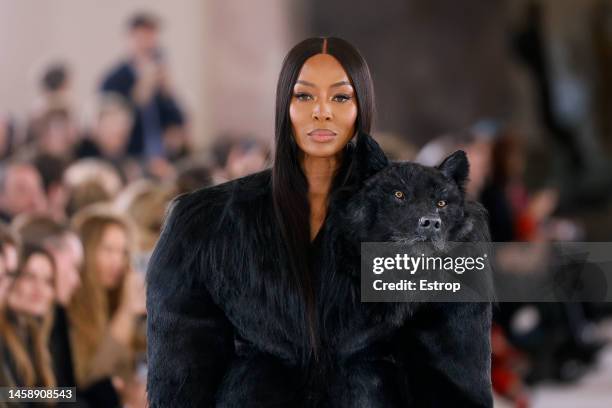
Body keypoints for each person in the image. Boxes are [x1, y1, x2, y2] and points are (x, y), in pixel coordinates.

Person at [146, 37, 492, 407]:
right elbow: (181, 374)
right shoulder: (205, 223)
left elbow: (451, 372)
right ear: (284, 105)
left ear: (362, 105)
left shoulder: (442, 224)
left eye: (341, 97)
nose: (322, 111)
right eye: (305, 96)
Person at [67, 208, 146, 406]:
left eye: (123, 252)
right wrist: (127, 312)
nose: (117, 261)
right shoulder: (70, 304)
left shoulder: (116, 297)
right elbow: (88, 381)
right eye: (108, 250)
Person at [100, 11, 184, 159]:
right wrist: (141, 90)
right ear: (131, 38)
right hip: (130, 158)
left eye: (152, 36)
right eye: (143, 37)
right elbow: (112, 128)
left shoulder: (160, 77)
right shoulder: (114, 79)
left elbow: (177, 121)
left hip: (162, 157)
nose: (149, 43)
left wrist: (168, 93)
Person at [1, 244, 56, 390]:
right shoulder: (4, 338)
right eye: (30, 277)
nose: (40, 289)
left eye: (48, 281)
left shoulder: (31, 332)